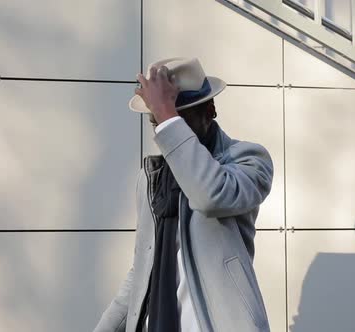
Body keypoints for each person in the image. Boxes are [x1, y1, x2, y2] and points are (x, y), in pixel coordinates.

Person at [93, 57, 274, 332]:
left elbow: (210, 195)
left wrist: (166, 113)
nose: (166, 131)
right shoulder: (151, 177)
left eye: (180, 118)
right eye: (158, 121)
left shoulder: (247, 159)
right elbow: (143, 269)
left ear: (210, 109)